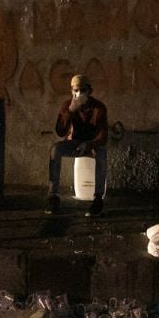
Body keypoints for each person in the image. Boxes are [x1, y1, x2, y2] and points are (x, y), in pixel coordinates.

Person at [46, 74, 108, 217]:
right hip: (74, 143)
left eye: (82, 90)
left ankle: (98, 199)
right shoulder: (67, 105)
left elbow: (103, 137)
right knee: (56, 149)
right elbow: (60, 131)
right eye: (75, 90)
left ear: (89, 91)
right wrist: (70, 112)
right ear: (71, 91)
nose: (78, 93)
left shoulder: (99, 108)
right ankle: (53, 196)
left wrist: (89, 145)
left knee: (102, 153)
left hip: (92, 144)